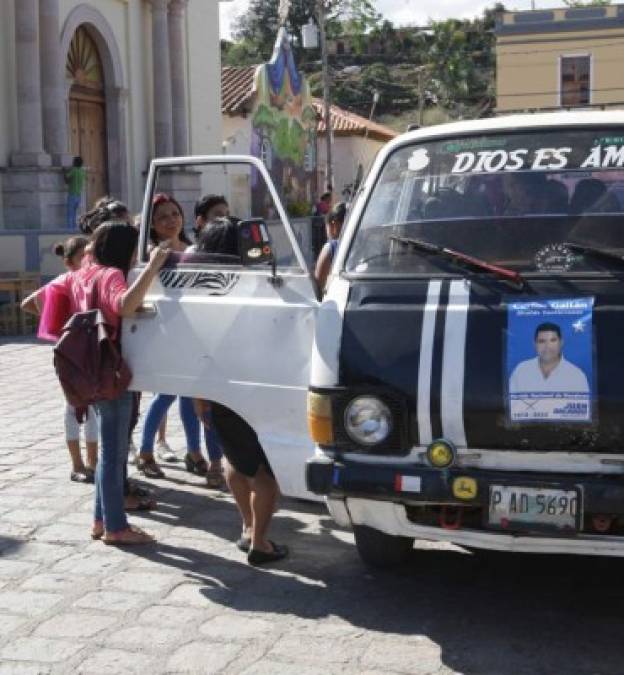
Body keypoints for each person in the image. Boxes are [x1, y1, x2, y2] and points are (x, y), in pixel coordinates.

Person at [37, 221, 168, 544]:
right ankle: (116, 527)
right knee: (113, 453)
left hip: (89, 369)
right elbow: (123, 305)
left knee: (110, 451)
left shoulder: (84, 271)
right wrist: (152, 268)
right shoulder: (110, 274)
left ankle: (101, 519)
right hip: (110, 371)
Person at [194, 219, 288, 565]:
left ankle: (248, 528)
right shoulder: (258, 285)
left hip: (219, 392)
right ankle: (260, 543)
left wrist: (199, 396)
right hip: (260, 390)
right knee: (266, 474)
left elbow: (196, 350)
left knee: (236, 461)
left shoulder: (197, 290)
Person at [137, 193, 225, 487]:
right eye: (162, 216)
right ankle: (146, 451)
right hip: (166, 332)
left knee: (200, 396)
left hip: (195, 332)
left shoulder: (192, 249)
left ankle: (202, 455)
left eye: (175, 214)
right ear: (151, 224)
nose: (171, 220)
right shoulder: (150, 253)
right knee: (166, 395)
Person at [21, 236, 98, 483]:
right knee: (74, 407)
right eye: (81, 257)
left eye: (90, 256)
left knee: (95, 408)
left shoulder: (92, 280)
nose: (87, 261)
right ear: (69, 262)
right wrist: (53, 320)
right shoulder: (62, 281)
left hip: (93, 351)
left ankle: (93, 462)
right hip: (70, 353)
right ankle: (77, 464)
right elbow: (27, 303)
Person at [509, 322, 589, 393]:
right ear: (535, 344)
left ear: (561, 343)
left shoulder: (577, 376)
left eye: (553, 340)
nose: (547, 346)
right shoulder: (521, 370)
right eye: (542, 341)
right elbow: (512, 405)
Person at [314, 201, 347, 291]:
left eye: (326, 227)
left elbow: (318, 284)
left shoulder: (331, 247)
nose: (326, 233)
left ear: (333, 224)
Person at [64, 156, 86, 229]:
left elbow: (67, 179)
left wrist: (64, 172)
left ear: (75, 163)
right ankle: (75, 228)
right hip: (79, 195)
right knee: (76, 213)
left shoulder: (73, 170)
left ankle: (69, 229)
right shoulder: (82, 171)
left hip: (72, 194)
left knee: (70, 213)